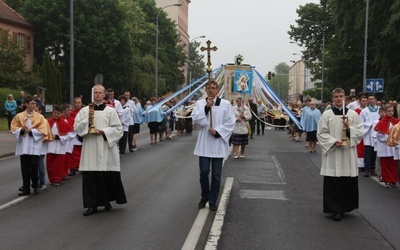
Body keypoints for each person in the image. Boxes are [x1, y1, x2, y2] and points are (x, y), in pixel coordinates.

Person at [74, 84, 127, 216]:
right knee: (90, 177)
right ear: (93, 94)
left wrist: (104, 132)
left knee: (104, 177)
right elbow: (77, 128)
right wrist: (88, 121)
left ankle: (106, 201)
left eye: (100, 93)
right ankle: (91, 205)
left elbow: (118, 129)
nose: (97, 95)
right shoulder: (85, 111)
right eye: (95, 92)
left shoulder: (110, 111)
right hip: (90, 147)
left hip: (105, 146)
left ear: (104, 95)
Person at [317, 88, 364, 221]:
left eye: (341, 96)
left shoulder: (353, 115)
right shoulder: (327, 115)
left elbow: (360, 132)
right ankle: (335, 208)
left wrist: (349, 128)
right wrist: (332, 141)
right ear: (332, 99)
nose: (338, 99)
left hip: (347, 153)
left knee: (345, 180)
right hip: (333, 152)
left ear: (345, 98)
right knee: (333, 181)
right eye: (336, 96)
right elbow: (321, 133)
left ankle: (345, 206)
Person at [192, 80, 235, 211]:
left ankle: (212, 200)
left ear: (217, 90)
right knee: (204, 172)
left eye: (215, 88)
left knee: (216, 174)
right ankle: (204, 196)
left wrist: (218, 131)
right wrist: (206, 108)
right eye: (210, 88)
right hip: (205, 143)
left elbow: (230, 122)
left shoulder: (225, 104)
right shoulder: (200, 104)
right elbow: (196, 121)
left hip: (217, 143)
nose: (212, 90)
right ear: (206, 89)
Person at [10, 96, 51, 196]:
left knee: (34, 165)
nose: (33, 106)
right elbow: (13, 128)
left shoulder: (40, 117)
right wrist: (22, 130)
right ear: (26, 104)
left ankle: (36, 185)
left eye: (35, 104)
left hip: (34, 145)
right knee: (25, 167)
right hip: (23, 144)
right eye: (32, 103)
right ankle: (26, 187)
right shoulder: (19, 116)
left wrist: (31, 131)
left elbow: (43, 130)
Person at [374, 104, 399, 188]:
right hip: (385, 146)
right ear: (385, 112)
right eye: (389, 111)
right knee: (385, 164)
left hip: (394, 146)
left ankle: (393, 179)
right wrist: (389, 138)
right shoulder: (381, 122)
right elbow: (379, 134)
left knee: (393, 164)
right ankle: (387, 179)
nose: (391, 113)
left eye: (392, 111)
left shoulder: (396, 121)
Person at [46, 105, 72, 186]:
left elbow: (69, 135)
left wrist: (58, 137)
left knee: (58, 164)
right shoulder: (49, 122)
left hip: (60, 146)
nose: (56, 115)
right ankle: (52, 178)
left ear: (61, 113)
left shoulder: (64, 123)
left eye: (58, 113)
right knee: (50, 163)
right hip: (50, 145)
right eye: (55, 113)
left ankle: (57, 179)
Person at [360, 94, 380, 177]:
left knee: (374, 152)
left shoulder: (379, 109)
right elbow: (360, 122)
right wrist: (369, 125)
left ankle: (373, 168)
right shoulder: (364, 111)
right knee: (368, 151)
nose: (371, 100)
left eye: (372, 99)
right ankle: (367, 169)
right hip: (368, 133)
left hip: (377, 133)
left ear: (375, 100)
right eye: (369, 99)